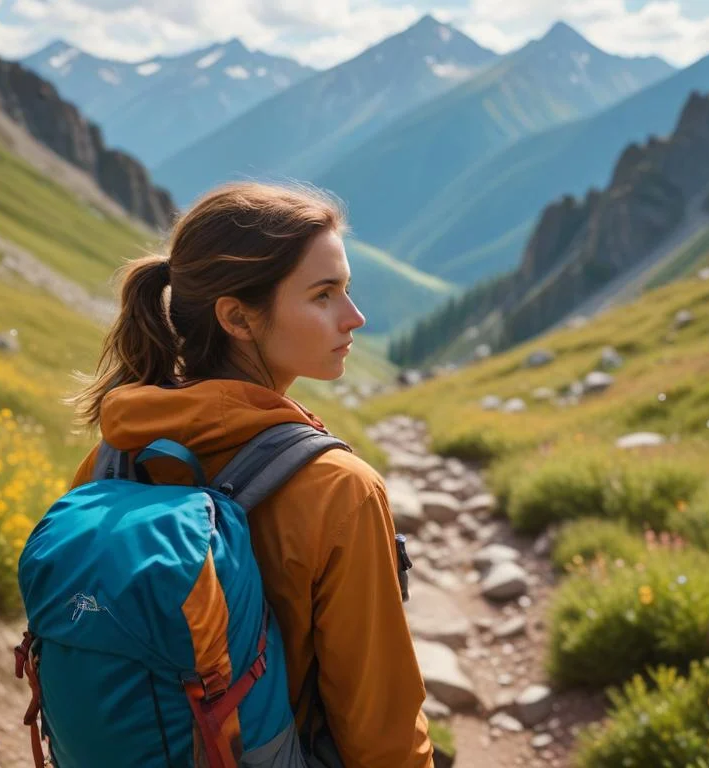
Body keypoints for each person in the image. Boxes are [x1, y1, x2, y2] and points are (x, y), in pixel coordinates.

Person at [65, 182, 434, 767]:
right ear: (237, 317)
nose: (354, 317)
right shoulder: (340, 491)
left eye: (347, 290)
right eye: (323, 295)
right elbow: (380, 728)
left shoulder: (112, 459)